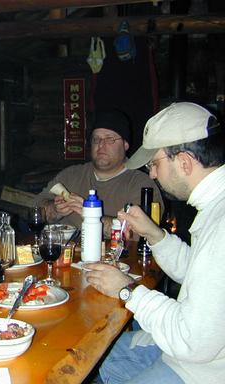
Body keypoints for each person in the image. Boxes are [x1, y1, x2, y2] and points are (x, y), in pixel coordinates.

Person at [86, 102, 225, 383]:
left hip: (203, 370)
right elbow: (197, 273)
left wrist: (127, 291)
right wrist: (155, 234)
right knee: (103, 355)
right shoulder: (215, 205)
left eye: (155, 164)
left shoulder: (221, 221)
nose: (152, 174)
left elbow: (192, 341)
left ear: (184, 162)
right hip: (199, 353)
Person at [34, 109, 164, 238]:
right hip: (65, 255)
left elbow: (140, 235)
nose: (101, 145)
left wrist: (91, 214)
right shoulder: (71, 175)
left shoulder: (142, 185)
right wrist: (55, 210)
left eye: (110, 139)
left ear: (125, 145)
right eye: (96, 139)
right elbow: (36, 210)